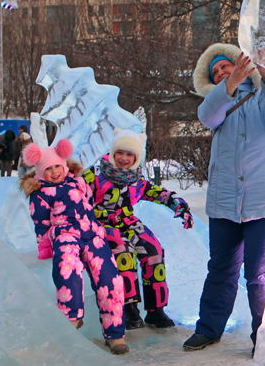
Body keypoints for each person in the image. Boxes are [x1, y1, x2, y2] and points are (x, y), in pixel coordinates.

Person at [183, 44, 265, 354]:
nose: (221, 72)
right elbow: (206, 116)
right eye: (216, 72)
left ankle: (264, 339)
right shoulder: (217, 102)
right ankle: (208, 329)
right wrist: (229, 85)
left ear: (242, 64)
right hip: (225, 205)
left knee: (261, 275)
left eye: (226, 67)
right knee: (221, 268)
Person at [20, 139, 129, 354]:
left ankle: (115, 333)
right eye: (48, 169)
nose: (54, 172)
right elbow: (40, 222)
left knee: (110, 278)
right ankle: (72, 317)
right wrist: (44, 245)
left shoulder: (78, 182)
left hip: (92, 233)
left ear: (64, 165)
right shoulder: (40, 192)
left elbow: (88, 203)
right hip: (65, 234)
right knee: (67, 269)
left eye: (57, 167)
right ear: (40, 172)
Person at [83, 129, 194, 330]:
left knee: (154, 250)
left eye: (129, 155)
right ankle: (129, 308)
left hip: (127, 221)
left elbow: (158, 193)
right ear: (113, 152)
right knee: (123, 251)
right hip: (101, 223)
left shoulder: (136, 178)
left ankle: (155, 310)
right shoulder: (96, 173)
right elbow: (74, 191)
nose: (124, 158)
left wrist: (180, 205)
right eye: (120, 153)